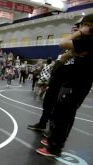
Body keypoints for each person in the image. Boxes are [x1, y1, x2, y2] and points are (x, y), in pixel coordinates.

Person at [36, 14, 93, 157]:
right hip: (73, 82)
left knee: (64, 116)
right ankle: (53, 141)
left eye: (84, 24)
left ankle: (55, 148)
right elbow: (64, 56)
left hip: (78, 84)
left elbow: (62, 43)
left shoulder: (90, 41)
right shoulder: (86, 42)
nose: (81, 27)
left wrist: (79, 33)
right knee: (60, 113)